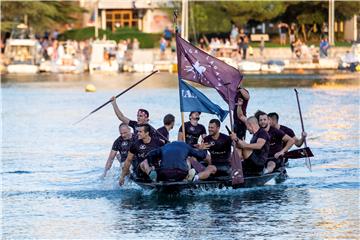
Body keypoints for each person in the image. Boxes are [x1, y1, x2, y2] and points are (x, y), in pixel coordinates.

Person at [144, 141, 216, 182]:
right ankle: (188, 176)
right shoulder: (186, 146)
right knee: (188, 160)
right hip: (180, 173)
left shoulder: (164, 147)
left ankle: (155, 176)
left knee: (158, 167)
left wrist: (153, 165)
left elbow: (150, 155)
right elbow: (201, 155)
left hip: (164, 173)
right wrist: (203, 149)